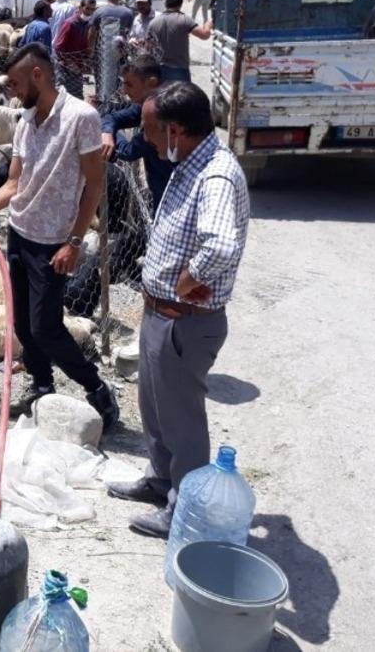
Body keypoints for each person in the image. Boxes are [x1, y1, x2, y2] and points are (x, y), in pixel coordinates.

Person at [0, 43, 121, 430]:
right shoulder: (24, 122)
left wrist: (73, 243)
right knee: (22, 323)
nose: (13, 92)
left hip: (53, 242)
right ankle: (41, 386)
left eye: (16, 83)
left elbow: (94, 185)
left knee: (46, 327)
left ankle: (96, 389)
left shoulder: (80, 118)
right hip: (20, 234)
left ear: (38, 75)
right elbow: (12, 185)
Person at [106, 82, 250, 538]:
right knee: (154, 408)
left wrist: (190, 279)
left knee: (182, 421)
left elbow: (222, 245)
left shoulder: (216, 175)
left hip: (185, 321)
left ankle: (183, 511)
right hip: (162, 314)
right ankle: (160, 480)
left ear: (175, 130)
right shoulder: (193, 160)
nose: (146, 140)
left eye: (151, 131)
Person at [99, 56, 173, 210]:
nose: (124, 90)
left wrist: (114, 136)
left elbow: (128, 151)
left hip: (169, 192)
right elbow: (112, 117)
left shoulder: (161, 115)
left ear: (151, 83)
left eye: (129, 85)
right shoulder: (147, 101)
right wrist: (106, 132)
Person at [147, 0, 212, 82]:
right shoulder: (184, 19)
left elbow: (148, 48)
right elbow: (204, 35)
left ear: (165, 3)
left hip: (159, 70)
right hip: (179, 70)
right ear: (181, 4)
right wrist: (208, 24)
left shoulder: (153, 22)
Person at [53, 0, 98, 99]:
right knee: (64, 96)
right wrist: (70, 63)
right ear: (81, 8)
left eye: (92, 9)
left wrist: (87, 60)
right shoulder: (70, 23)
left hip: (82, 67)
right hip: (66, 69)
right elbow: (58, 47)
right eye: (87, 9)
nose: (90, 12)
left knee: (83, 96)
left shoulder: (89, 25)